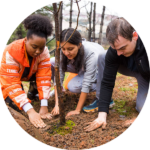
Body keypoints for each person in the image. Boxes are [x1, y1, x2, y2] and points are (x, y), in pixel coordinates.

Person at [84, 18, 150, 132]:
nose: (118, 53)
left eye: (122, 48)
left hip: (146, 74)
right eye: (115, 49)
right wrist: (101, 115)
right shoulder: (115, 52)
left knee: (144, 108)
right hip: (130, 68)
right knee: (104, 56)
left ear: (134, 36)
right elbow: (107, 82)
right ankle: (102, 101)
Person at [0, 14, 53, 128]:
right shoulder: (11, 52)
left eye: (41, 47)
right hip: (9, 79)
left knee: (45, 76)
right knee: (13, 104)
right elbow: (12, 84)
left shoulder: (44, 53)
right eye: (34, 47)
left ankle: (33, 93)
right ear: (25, 41)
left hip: (29, 74)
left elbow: (44, 77)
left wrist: (44, 106)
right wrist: (30, 111)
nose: (38, 51)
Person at [50, 28, 114, 117]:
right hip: (79, 65)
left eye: (70, 49)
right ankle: (60, 91)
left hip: (97, 69)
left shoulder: (91, 54)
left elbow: (86, 82)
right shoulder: (63, 51)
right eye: (63, 49)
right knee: (51, 62)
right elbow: (59, 76)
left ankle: (102, 92)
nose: (66, 52)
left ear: (79, 45)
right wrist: (57, 105)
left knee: (73, 86)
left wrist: (77, 110)